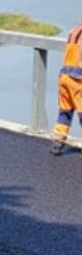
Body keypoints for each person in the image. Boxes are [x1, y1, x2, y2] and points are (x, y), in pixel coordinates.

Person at [50, 20, 82, 155]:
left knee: (65, 111)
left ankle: (57, 143)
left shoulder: (74, 31)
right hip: (77, 79)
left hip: (64, 76)